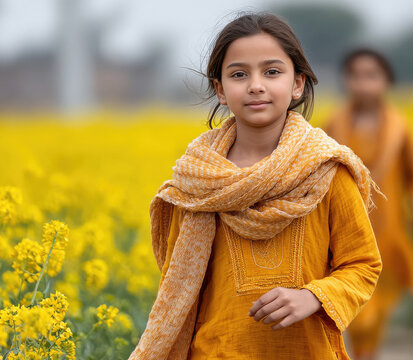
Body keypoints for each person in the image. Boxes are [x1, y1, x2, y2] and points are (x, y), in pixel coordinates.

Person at [128, 12, 382, 360]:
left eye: (272, 71)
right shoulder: (198, 185)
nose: (256, 85)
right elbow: (180, 293)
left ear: (297, 84)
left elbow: (363, 264)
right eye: (238, 74)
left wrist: (313, 296)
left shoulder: (326, 172)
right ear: (219, 89)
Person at [324, 48, 413, 360]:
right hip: (343, 231)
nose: (363, 83)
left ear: (387, 81)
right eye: (355, 76)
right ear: (346, 81)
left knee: (380, 304)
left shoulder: (399, 127)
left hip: (387, 232)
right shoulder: (334, 123)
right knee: (356, 306)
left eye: (371, 76)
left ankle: (365, 353)